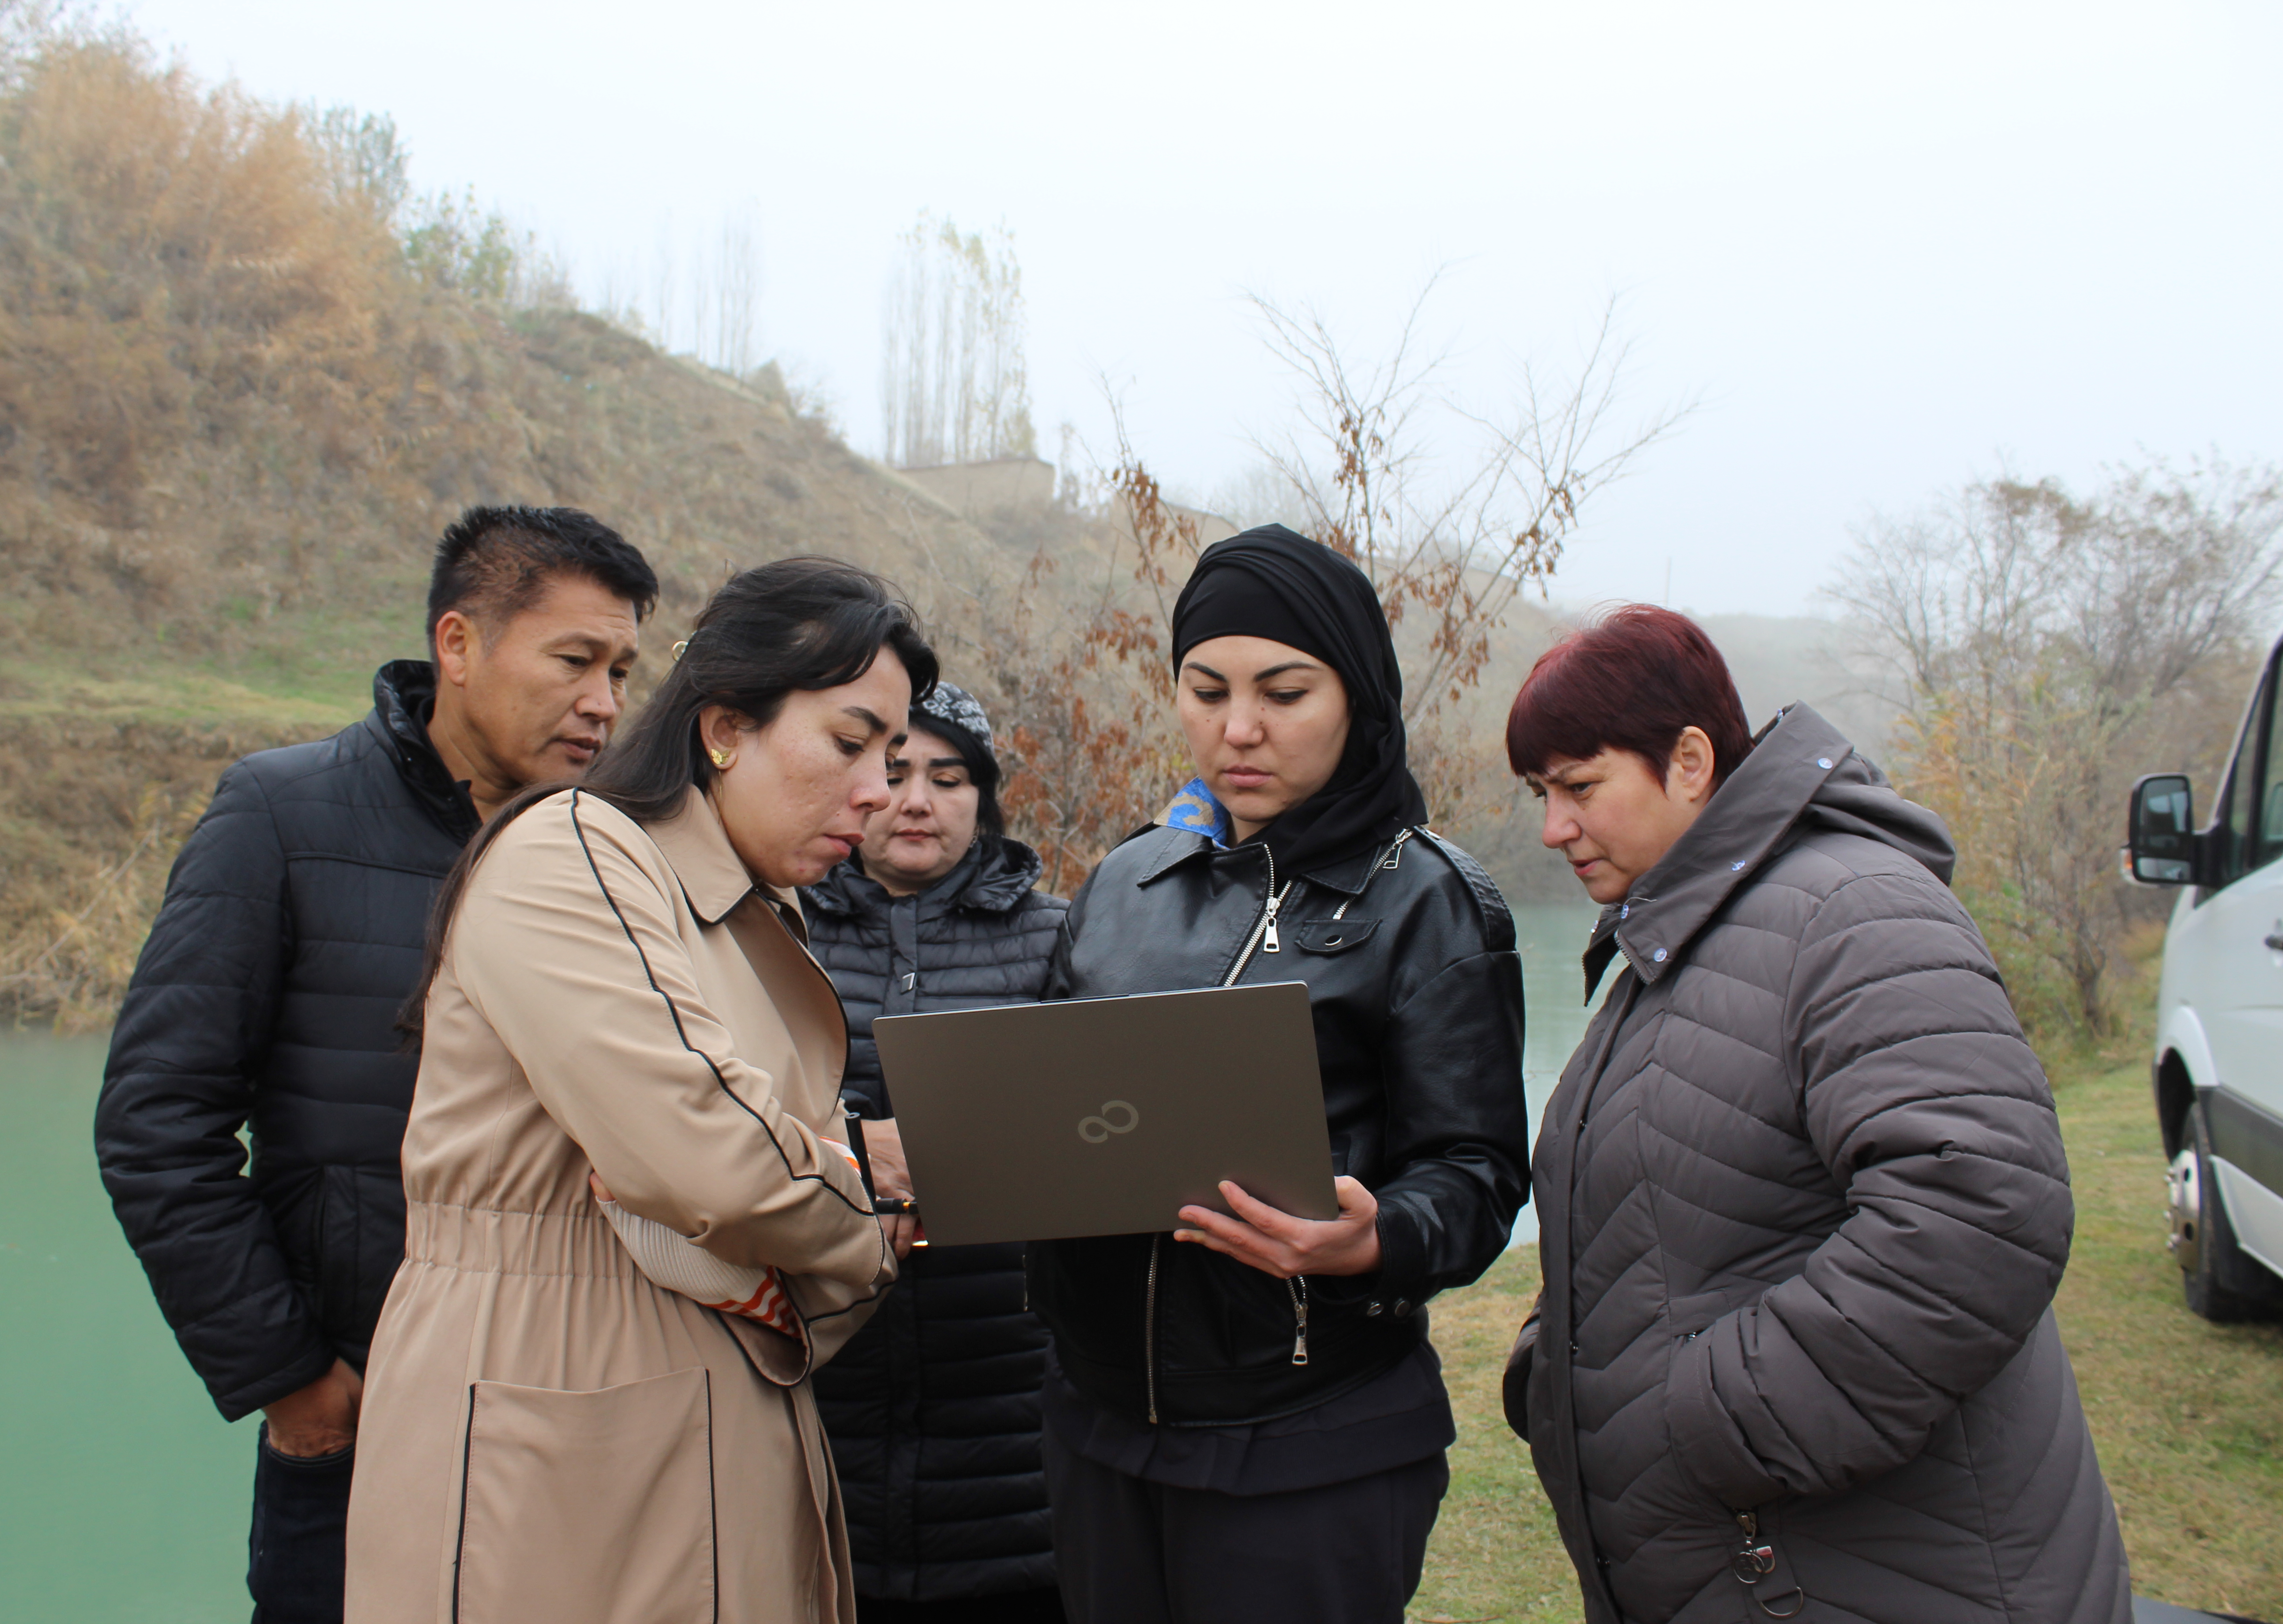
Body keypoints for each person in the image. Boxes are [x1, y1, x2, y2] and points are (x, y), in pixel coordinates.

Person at [1500, 605, 2130, 1624]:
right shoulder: (1678, 942)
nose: (1552, 828)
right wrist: (1563, 1367)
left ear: (1691, 761)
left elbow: (1979, 1207)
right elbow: (1660, 1207)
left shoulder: (1852, 910)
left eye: (1579, 788)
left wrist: (1713, 1422)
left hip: (1878, 1577)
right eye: (1542, 794)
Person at [342, 558, 939, 1624]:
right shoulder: (573, 855)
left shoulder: (748, 913)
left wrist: (851, 1178)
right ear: (723, 729)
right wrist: (870, 1219)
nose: (879, 792)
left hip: (714, 1416)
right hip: (556, 1407)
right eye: (850, 744)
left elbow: (752, 1163)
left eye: (892, 759)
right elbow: (710, 1154)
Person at [95, 506, 657, 1624]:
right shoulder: (282, 813)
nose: (604, 702)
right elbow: (158, 1120)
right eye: (574, 660)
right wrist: (292, 1382)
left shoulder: (617, 850)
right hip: (364, 1412)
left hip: (576, 1404)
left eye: (623, 669)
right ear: (459, 645)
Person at [1030, 524, 1530, 1624]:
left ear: (1359, 698)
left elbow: (1477, 1172)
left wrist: (1377, 1240)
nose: (1237, 728)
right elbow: (1062, 1106)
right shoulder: (1127, 879)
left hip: (1311, 1431)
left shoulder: (1429, 900)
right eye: (1204, 690)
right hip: (1101, 1425)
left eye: (1284, 691)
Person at [802, 681, 1071, 1623]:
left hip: (1012, 1422)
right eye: (894, 770)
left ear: (985, 796)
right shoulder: (772, 930)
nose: (917, 800)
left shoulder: (1062, 939)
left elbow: (1102, 1129)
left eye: (950, 778)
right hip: (815, 1402)